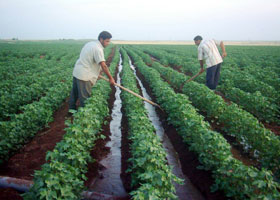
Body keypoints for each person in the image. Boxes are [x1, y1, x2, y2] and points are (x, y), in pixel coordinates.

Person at [69, 31, 115, 112]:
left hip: (77, 72)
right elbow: (103, 65)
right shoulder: (98, 49)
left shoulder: (90, 44)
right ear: (101, 39)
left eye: (109, 41)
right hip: (84, 75)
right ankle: (84, 118)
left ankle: (70, 111)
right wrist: (111, 78)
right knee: (85, 99)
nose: (108, 43)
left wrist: (98, 72)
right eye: (107, 41)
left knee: (74, 94)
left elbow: (91, 60)